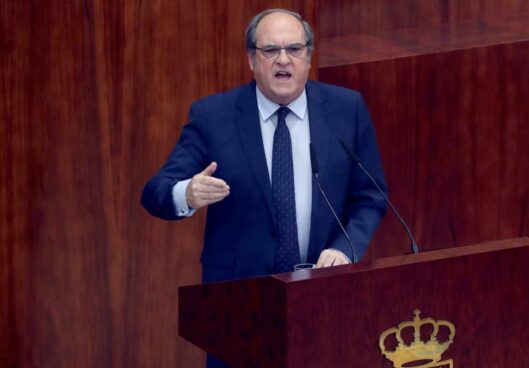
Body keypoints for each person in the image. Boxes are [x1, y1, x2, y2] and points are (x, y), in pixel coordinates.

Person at [141, 8, 388, 368]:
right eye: (270, 50)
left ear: (308, 56)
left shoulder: (345, 108)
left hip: (323, 294)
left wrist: (345, 248)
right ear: (251, 59)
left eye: (294, 49)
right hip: (238, 305)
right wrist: (187, 194)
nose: (283, 60)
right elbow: (155, 192)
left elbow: (370, 196)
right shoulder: (214, 116)